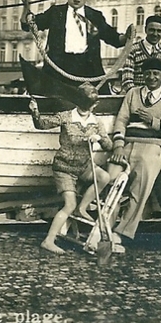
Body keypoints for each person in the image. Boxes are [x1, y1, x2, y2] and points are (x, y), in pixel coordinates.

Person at [78, 57, 161, 243]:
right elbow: (122, 120)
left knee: (138, 191)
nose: (152, 77)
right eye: (148, 73)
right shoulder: (133, 94)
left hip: (152, 148)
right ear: (143, 75)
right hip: (126, 146)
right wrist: (118, 145)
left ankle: (122, 233)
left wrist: (154, 121)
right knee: (110, 182)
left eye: (156, 74)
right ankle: (103, 228)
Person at [28, 85, 113, 255]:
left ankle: (82, 208)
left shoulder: (96, 122)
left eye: (88, 105)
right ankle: (48, 241)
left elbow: (109, 145)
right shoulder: (66, 117)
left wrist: (100, 140)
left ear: (94, 106)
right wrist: (34, 111)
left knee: (104, 177)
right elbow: (42, 124)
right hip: (64, 168)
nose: (85, 108)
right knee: (69, 204)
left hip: (84, 167)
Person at [20, 0, 133, 88]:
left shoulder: (94, 16)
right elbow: (28, 24)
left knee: (102, 102)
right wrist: (26, 5)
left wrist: (127, 36)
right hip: (58, 70)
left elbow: (113, 37)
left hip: (88, 70)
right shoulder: (55, 13)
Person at [120, 14, 161, 92]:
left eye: (159, 31)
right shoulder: (132, 49)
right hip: (137, 95)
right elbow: (127, 80)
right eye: (152, 30)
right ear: (145, 30)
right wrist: (140, 96)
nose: (155, 34)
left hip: (160, 96)